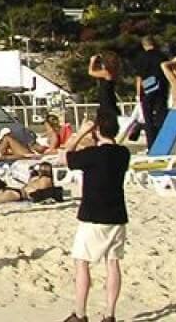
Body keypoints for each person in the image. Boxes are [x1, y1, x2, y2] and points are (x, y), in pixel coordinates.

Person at [64, 110, 130, 322]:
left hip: (94, 216)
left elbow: (67, 156)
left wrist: (81, 133)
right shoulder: (123, 153)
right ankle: (109, 314)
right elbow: (110, 147)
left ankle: (80, 314)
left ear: (97, 130)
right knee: (112, 263)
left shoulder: (93, 154)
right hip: (117, 215)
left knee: (81, 262)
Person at [132, 35, 169, 147]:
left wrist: (138, 93)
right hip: (161, 88)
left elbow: (139, 77)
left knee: (148, 118)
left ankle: (151, 145)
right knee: (161, 116)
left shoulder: (141, 57)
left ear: (144, 45)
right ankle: (163, 143)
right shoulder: (162, 56)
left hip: (147, 88)